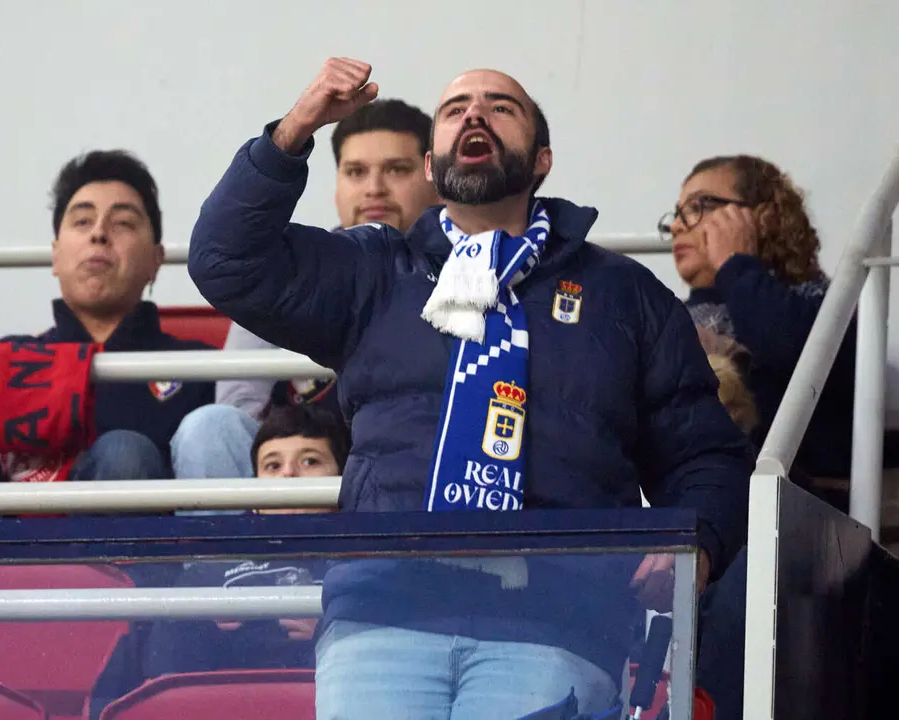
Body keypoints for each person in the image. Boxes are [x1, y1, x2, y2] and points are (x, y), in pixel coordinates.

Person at [189, 58, 752, 718]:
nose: (476, 114)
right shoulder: (376, 271)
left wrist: (695, 541)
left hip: (558, 621)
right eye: (456, 109)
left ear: (542, 160)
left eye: (501, 107)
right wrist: (293, 131)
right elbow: (225, 259)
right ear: (432, 166)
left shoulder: (623, 294)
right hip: (383, 614)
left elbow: (704, 452)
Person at [0, 150, 248, 484]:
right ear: (55, 255)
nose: (99, 233)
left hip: (140, 528)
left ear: (157, 260)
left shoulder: (199, 370)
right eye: (82, 221)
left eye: (123, 223)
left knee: (125, 455)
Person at [89, 405, 349, 718]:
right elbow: (163, 674)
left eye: (310, 461)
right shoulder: (210, 570)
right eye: (272, 465)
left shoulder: (364, 564)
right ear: (255, 493)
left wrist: (329, 634)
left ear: (342, 480)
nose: (288, 474)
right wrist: (205, 629)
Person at [218, 99, 439, 422]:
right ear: (337, 189)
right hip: (300, 450)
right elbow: (237, 409)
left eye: (397, 169)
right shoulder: (289, 267)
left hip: (425, 447)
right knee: (212, 425)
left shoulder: (472, 269)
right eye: (356, 172)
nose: (374, 189)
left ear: (436, 182)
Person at [662, 154, 854, 478]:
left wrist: (735, 264)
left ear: (763, 216)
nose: (677, 226)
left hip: (786, 493)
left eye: (697, 206)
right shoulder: (667, 316)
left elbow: (788, 350)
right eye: (677, 214)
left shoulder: (820, 302)